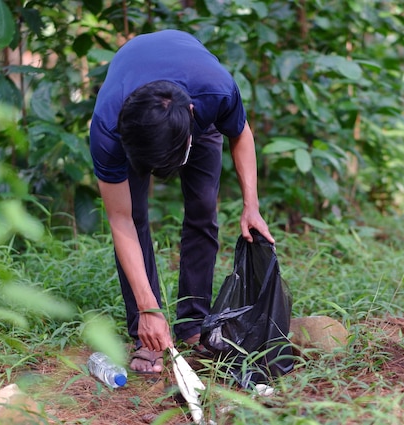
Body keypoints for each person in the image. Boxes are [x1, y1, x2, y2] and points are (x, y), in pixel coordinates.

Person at [89, 29, 275, 374]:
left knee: (204, 209)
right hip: (138, 124)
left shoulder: (215, 91)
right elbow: (121, 220)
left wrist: (252, 205)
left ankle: (193, 325)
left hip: (192, 114)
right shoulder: (109, 128)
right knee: (137, 217)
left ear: (192, 114)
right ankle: (147, 333)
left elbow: (240, 132)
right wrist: (149, 308)